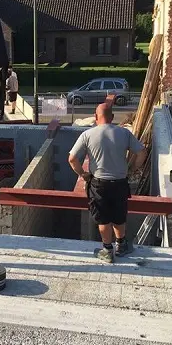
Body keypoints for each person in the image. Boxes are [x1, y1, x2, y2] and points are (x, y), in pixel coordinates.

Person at [68, 103, 146, 263]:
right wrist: (131, 169)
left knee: (103, 218)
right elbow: (142, 152)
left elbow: (72, 158)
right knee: (119, 215)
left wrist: (83, 174)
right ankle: (121, 245)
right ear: (112, 117)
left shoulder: (87, 135)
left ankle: (107, 250)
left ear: (96, 118)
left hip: (98, 184)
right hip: (120, 182)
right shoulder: (124, 133)